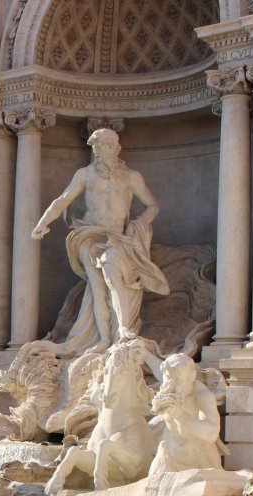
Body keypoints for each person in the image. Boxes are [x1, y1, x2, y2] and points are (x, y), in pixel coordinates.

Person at [31, 128, 169, 355]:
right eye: (96, 147)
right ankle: (105, 339)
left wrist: (138, 224)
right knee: (97, 285)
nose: (100, 151)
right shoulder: (85, 174)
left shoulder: (130, 177)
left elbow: (152, 205)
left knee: (112, 271)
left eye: (105, 146)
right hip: (89, 235)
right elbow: (62, 200)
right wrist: (43, 223)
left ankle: (122, 330)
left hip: (117, 238)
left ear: (116, 148)